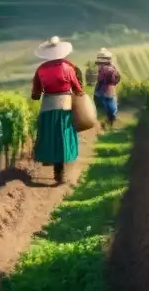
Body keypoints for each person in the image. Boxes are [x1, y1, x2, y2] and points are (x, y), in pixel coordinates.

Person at [31, 36, 84, 185]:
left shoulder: (40, 70)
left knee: (49, 136)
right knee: (63, 136)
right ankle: (60, 170)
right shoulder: (68, 68)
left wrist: (39, 94)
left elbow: (35, 94)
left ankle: (52, 162)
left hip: (48, 106)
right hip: (64, 107)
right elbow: (77, 89)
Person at [93, 48, 121, 129]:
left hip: (104, 92)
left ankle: (107, 124)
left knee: (107, 109)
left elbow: (101, 80)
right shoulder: (112, 68)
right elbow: (116, 79)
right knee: (111, 109)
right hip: (111, 91)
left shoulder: (104, 69)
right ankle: (110, 124)